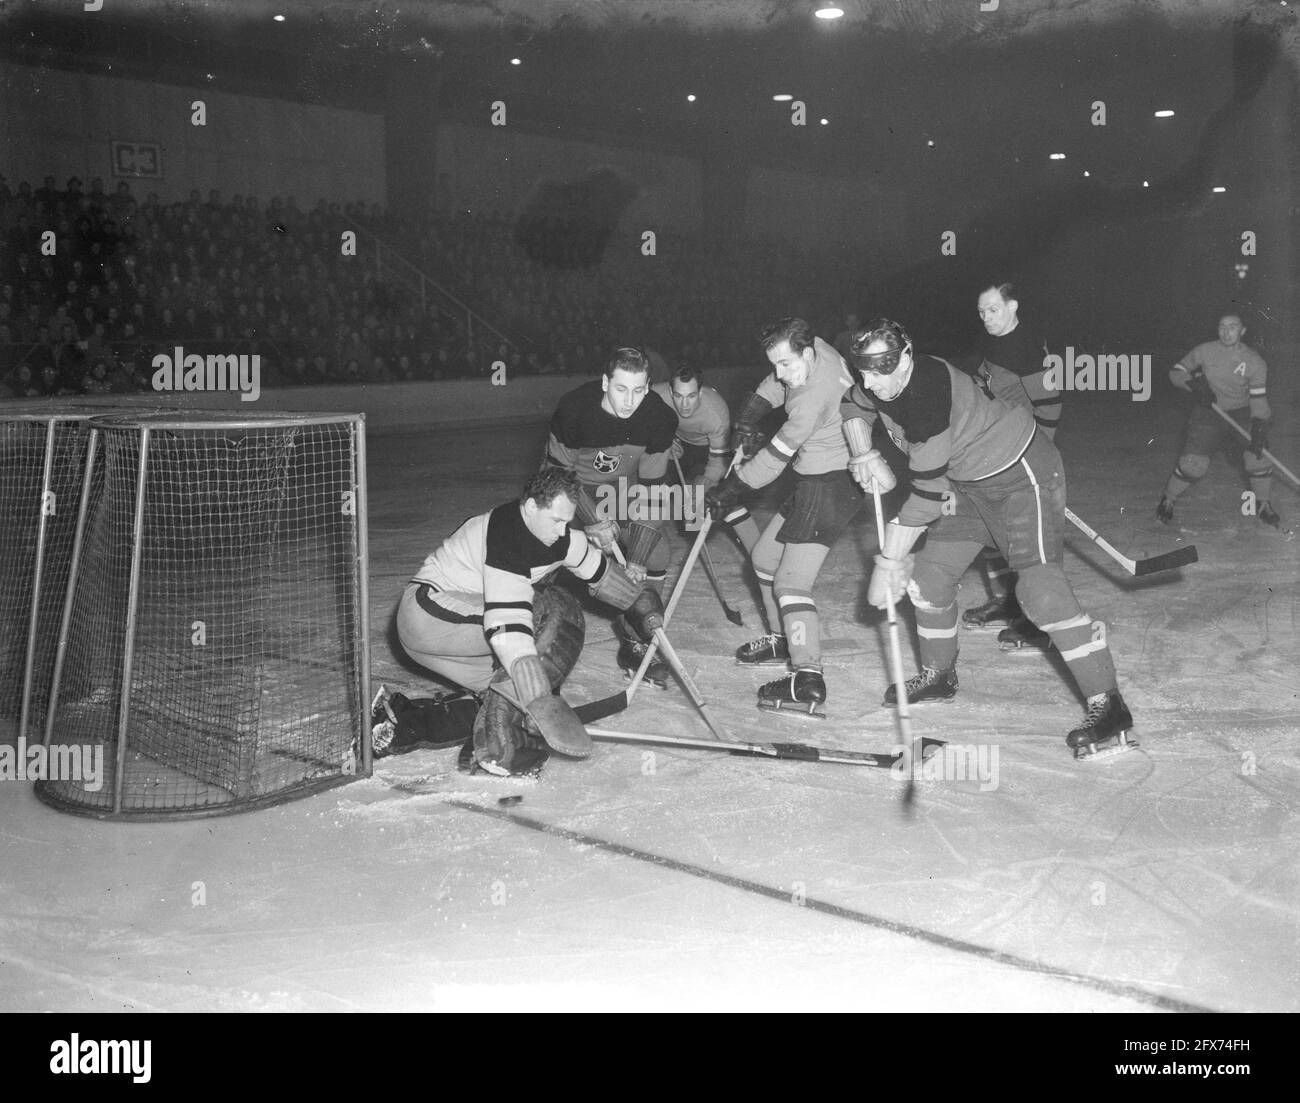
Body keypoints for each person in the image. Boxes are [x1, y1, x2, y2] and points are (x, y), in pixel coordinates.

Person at [843, 317, 1132, 756]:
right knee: (930, 579)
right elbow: (852, 406)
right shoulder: (878, 381)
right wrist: (863, 451)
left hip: (1020, 475)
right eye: (863, 368)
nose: (872, 381)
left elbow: (926, 494)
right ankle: (940, 675)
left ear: (906, 356)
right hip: (967, 485)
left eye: (882, 367)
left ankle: (1108, 705)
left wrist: (888, 560)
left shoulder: (925, 394)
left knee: (1040, 592)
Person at [394, 467, 664, 776]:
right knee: (555, 612)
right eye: (557, 520)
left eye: (567, 521)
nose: (562, 530)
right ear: (532, 507)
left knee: (504, 693)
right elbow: (508, 624)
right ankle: (502, 746)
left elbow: (592, 564)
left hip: (456, 630)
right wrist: (535, 691)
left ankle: (406, 724)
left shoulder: (551, 533)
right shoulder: (507, 535)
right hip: (429, 614)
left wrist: (639, 604)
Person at [705, 316, 862, 718]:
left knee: (791, 583)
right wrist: (750, 413)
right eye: (774, 363)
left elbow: (773, 461)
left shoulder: (812, 400)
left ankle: (807, 677)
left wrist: (730, 489)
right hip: (815, 479)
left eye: (786, 364)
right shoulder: (815, 348)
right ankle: (782, 637)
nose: (780, 374)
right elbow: (780, 382)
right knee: (763, 560)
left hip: (829, 485)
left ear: (807, 354)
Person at [542, 346, 678, 687]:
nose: (629, 401)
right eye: (620, 389)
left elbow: (652, 491)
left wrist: (638, 557)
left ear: (647, 387)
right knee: (545, 557)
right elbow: (558, 478)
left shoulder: (659, 417)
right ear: (605, 383)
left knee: (657, 553)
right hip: (563, 492)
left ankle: (636, 642)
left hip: (620, 491)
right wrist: (590, 519)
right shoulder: (574, 410)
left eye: (637, 390)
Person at [961, 280, 1063, 652]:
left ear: (1013, 306)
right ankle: (1008, 602)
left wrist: (1035, 457)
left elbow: (1050, 407)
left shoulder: (1028, 349)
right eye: (982, 311)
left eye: (994, 309)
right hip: (994, 451)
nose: (987, 317)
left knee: (1023, 541)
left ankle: (1038, 621)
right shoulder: (992, 342)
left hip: (1022, 454)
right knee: (992, 530)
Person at [1156, 312, 1278, 528]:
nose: (1226, 331)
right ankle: (1168, 499)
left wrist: (1259, 425)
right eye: (1222, 326)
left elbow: (1259, 399)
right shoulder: (1204, 351)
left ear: (1242, 331)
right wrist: (1193, 385)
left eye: (1232, 327)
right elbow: (1176, 372)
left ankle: (1264, 505)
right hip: (1209, 412)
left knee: (1259, 456)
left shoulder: (1254, 361)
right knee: (1193, 465)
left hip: (1241, 413)